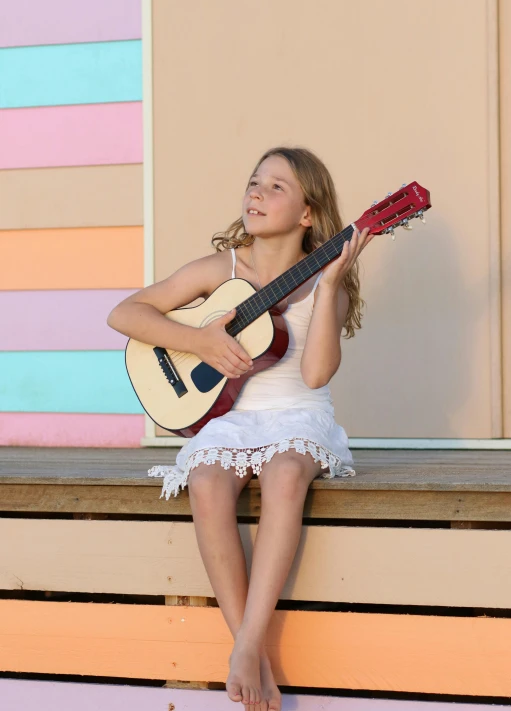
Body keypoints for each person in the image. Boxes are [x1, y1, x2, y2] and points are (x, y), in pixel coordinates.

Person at [107, 146, 372, 710]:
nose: (257, 192)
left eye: (277, 186)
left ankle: (247, 646)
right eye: (255, 181)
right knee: (205, 480)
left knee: (283, 474)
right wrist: (200, 340)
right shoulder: (220, 270)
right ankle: (248, 649)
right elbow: (127, 314)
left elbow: (318, 371)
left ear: (308, 213)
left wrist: (328, 289)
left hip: (299, 414)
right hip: (232, 419)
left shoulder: (326, 280)